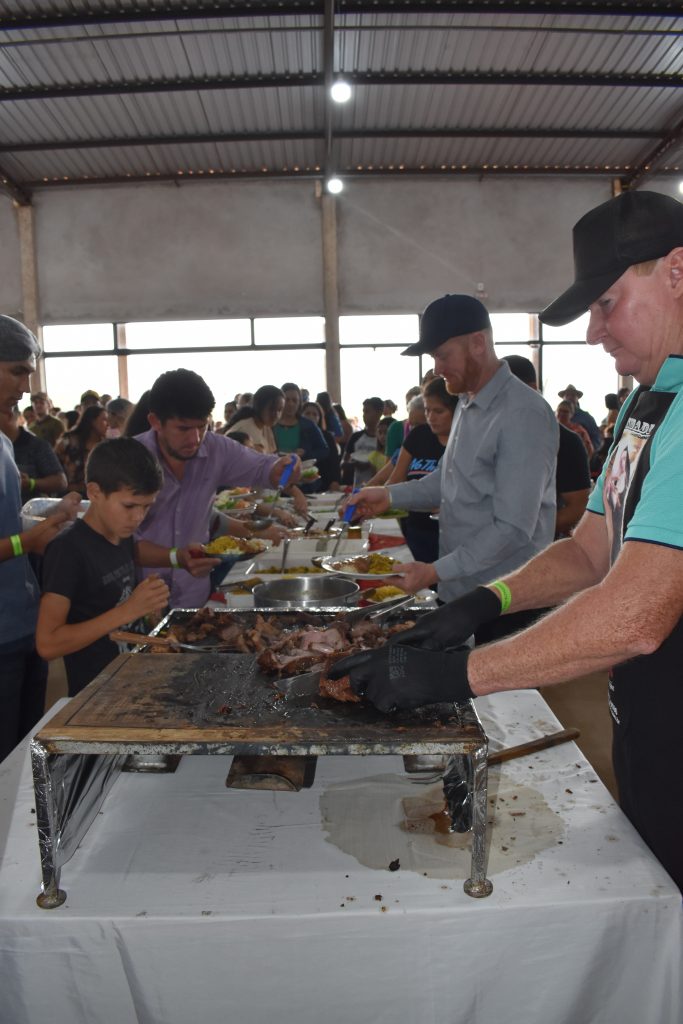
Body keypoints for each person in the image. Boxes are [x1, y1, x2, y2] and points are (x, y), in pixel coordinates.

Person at [329, 191, 683, 890]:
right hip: (647, 715)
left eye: (606, 303)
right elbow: (586, 551)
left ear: (677, 271)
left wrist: (455, 674)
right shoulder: (647, 403)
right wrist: (482, 602)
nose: (593, 333)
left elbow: (636, 616)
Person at [346, 294, 558, 603]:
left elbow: (513, 528)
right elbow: (448, 481)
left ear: (478, 343)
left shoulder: (523, 413)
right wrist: (389, 495)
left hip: (503, 600)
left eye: (443, 355)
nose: (437, 368)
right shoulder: (466, 402)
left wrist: (436, 571)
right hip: (461, 588)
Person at [134, 369, 302, 607]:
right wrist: (176, 557)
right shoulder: (129, 458)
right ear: (155, 422)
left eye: (202, 426)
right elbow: (116, 542)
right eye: (183, 429)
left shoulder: (216, 449)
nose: (195, 439)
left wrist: (282, 467)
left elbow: (262, 467)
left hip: (194, 595)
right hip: (141, 597)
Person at [0, 315, 82, 762]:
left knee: (23, 751)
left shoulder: (4, 442)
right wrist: (24, 544)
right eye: (17, 371)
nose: (27, 387)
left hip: (21, 621)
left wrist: (54, 516)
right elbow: (13, 541)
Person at [503, 355, 590, 540]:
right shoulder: (487, 434)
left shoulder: (566, 440)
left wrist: (527, 531)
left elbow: (578, 506)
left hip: (537, 546)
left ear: (531, 389)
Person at [0, 405, 67, 500]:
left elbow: (60, 482)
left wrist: (31, 483)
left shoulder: (36, 445)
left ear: (9, 415)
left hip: (28, 506)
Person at [55, 404, 109, 495]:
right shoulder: (68, 441)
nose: (108, 424)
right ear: (92, 421)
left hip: (97, 495)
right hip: (68, 493)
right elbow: (54, 465)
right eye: (104, 420)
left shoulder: (106, 446)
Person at [273, 383, 329, 465]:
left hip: (300, 469)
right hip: (274, 468)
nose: (291, 404)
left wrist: (306, 454)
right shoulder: (271, 424)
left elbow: (324, 450)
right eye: (287, 400)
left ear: (299, 403)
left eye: (294, 400)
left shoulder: (308, 425)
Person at [342, 396, 385, 487]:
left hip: (380, 487)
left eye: (367, 411)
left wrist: (371, 464)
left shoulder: (384, 439)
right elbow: (343, 463)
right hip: (358, 487)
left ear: (379, 413)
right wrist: (354, 465)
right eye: (363, 412)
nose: (364, 415)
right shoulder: (356, 437)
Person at [301, 400, 342, 491]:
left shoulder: (327, 436)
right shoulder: (297, 434)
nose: (311, 417)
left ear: (320, 418)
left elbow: (334, 461)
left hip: (325, 481)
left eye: (315, 414)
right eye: (307, 413)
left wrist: (335, 480)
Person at [557, 384, 602, 452]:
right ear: (563, 398)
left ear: (577, 398)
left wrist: (588, 453)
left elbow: (596, 438)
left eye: (573, 395)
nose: (570, 397)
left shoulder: (586, 417)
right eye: (567, 395)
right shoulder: (554, 416)